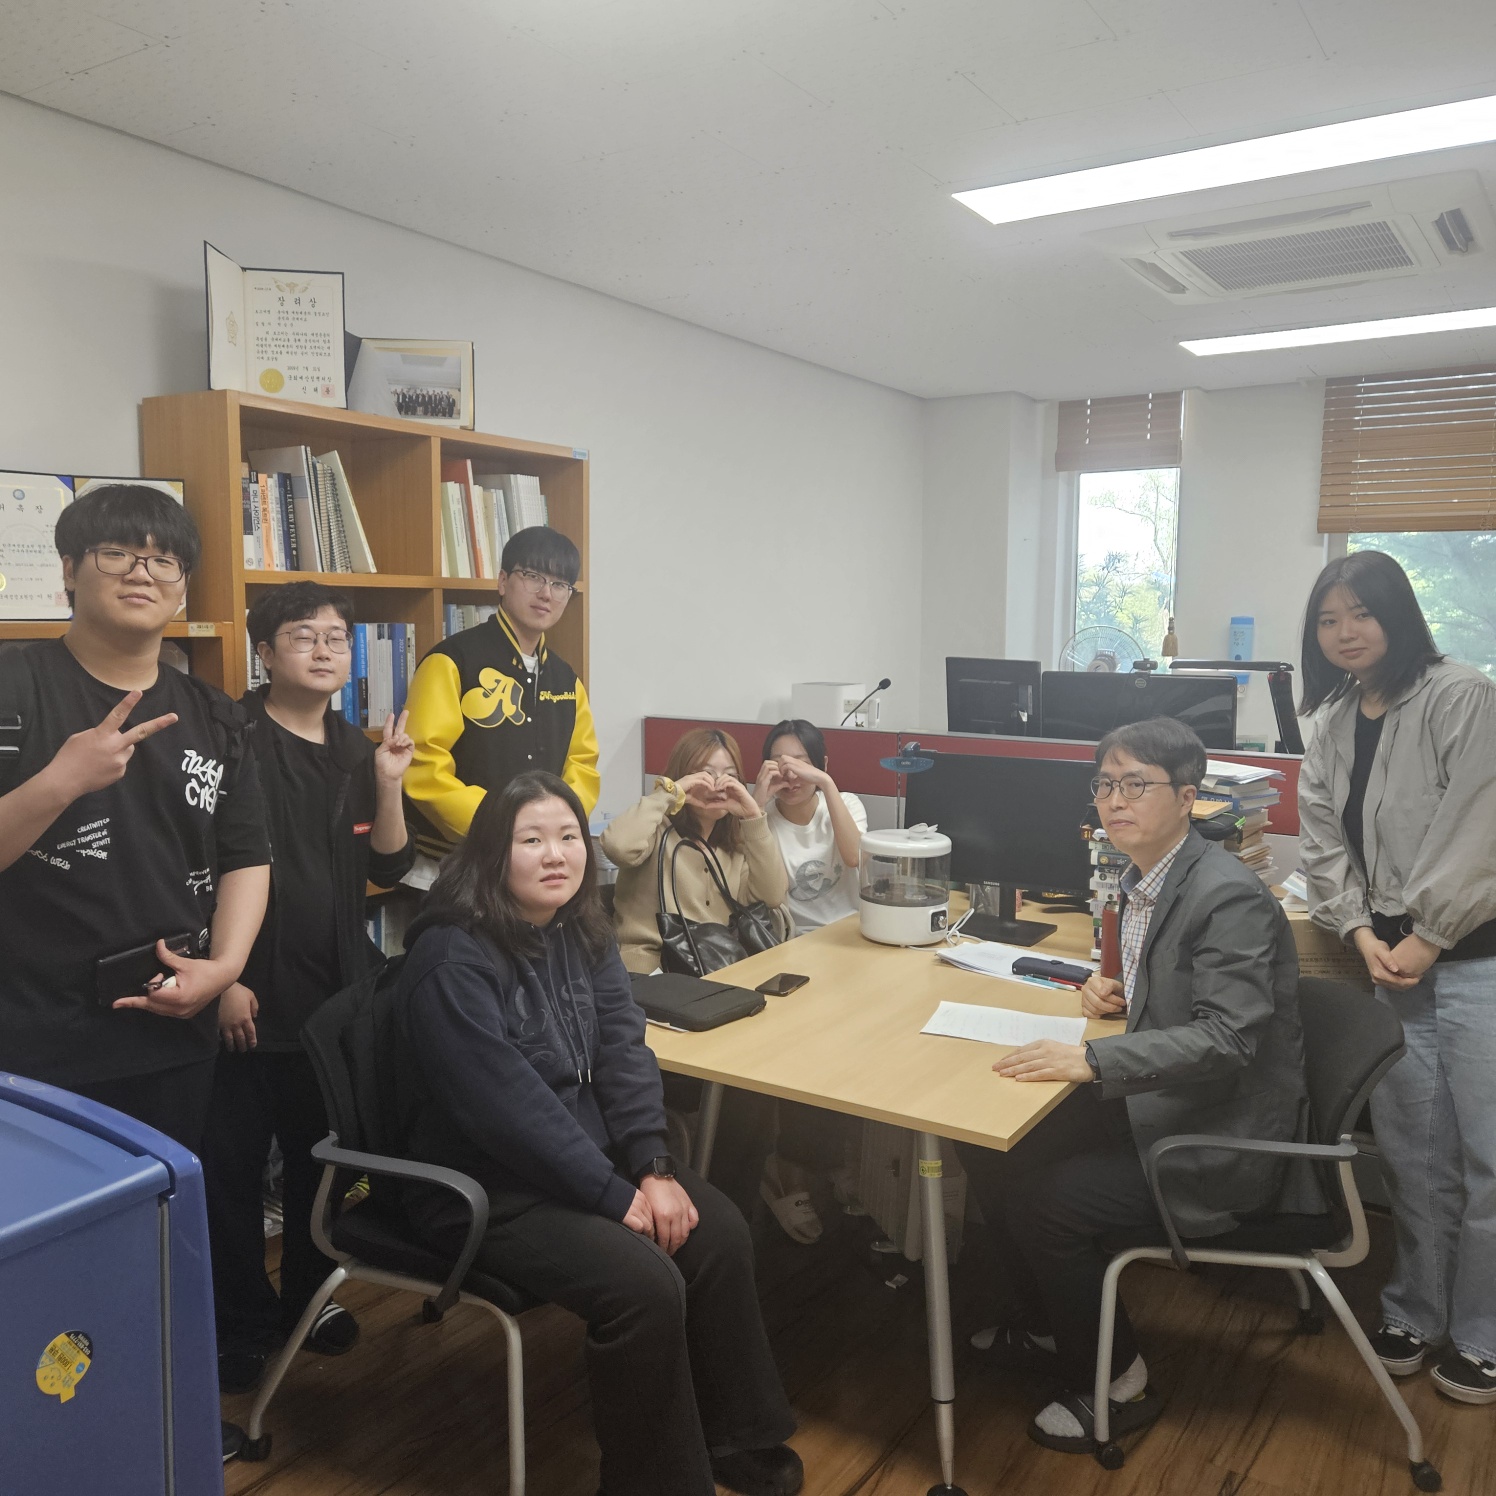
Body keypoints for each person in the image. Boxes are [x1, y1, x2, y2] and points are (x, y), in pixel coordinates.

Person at [392, 771, 802, 1496]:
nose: (556, 854)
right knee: (644, 1286)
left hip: (587, 1160)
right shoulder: (451, 958)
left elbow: (622, 1049)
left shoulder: (580, 928)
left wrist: (653, 1166)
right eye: (531, 840)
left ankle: (737, 1436)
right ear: (492, 853)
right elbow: (506, 1111)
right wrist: (613, 1196)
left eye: (568, 837)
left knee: (720, 1234)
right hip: (486, 1184)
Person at [0, 484, 271, 1463]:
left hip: (169, 1032)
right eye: (117, 552)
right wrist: (61, 779)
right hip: (32, 1041)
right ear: (69, 570)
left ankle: (153, 1427)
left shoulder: (213, 712)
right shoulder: (14, 684)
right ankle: (48, 1445)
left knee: (155, 1242)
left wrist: (225, 966)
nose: (142, 570)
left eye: (163, 557)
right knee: (44, 1256)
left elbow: (246, 855)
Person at [957, 717, 1313, 1453]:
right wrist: (1110, 994)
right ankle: (1056, 1327)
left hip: (1217, 1134)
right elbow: (1177, 997)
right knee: (989, 1147)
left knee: (1046, 1202)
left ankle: (1121, 1383)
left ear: (1187, 798)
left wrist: (1094, 1060)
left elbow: (1229, 1038)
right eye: (1105, 784)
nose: (1115, 800)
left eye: (1136, 785)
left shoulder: (1226, 894)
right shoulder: (1144, 880)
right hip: (1163, 1101)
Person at [201, 581, 415, 1394]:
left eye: (336, 637)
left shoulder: (356, 748)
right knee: (228, 1170)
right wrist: (225, 976)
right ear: (264, 652)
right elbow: (199, 868)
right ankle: (238, 1321)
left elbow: (389, 864)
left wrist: (388, 780)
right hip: (248, 995)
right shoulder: (230, 738)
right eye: (303, 636)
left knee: (319, 1167)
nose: (325, 650)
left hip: (332, 1000)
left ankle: (306, 1301)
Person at [1297, 550, 1496, 1406]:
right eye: (1328, 618)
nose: (1345, 632)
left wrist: (1429, 935)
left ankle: (1484, 1334)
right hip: (1391, 962)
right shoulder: (1334, 718)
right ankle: (1417, 1309)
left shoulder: (1462, 695)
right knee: (1414, 1154)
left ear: (1399, 616)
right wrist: (1354, 927)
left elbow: (1479, 825)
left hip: (1477, 959)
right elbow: (1320, 838)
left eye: (1362, 613)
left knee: (1488, 1156)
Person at [402, 526, 598, 878]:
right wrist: (501, 826)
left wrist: (554, 828)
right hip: (453, 866)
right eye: (533, 576)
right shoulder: (452, 660)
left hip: (536, 864)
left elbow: (582, 766)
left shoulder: (566, 679)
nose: (546, 593)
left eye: (560, 584)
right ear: (503, 581)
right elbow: (423, 763)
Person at [602, 727, 789, 975]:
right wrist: (669, 794)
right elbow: (617, 847)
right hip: (653, 970)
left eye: (730, 776)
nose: (718, 784)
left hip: (718, 967)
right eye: (705, 774)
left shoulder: (735, 843)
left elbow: (772, 896)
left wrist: (753, 815)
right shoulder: (655, 830)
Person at [755, 718, 867, 932]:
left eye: (800, 765)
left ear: (821, 765)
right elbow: (768, 894)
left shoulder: (847, 804)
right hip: (797, 938)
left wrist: (826, 782)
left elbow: (854, 857)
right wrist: (756, 805)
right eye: (780, 764)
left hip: (852, 930)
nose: (790, 775)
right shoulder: (762, 821)